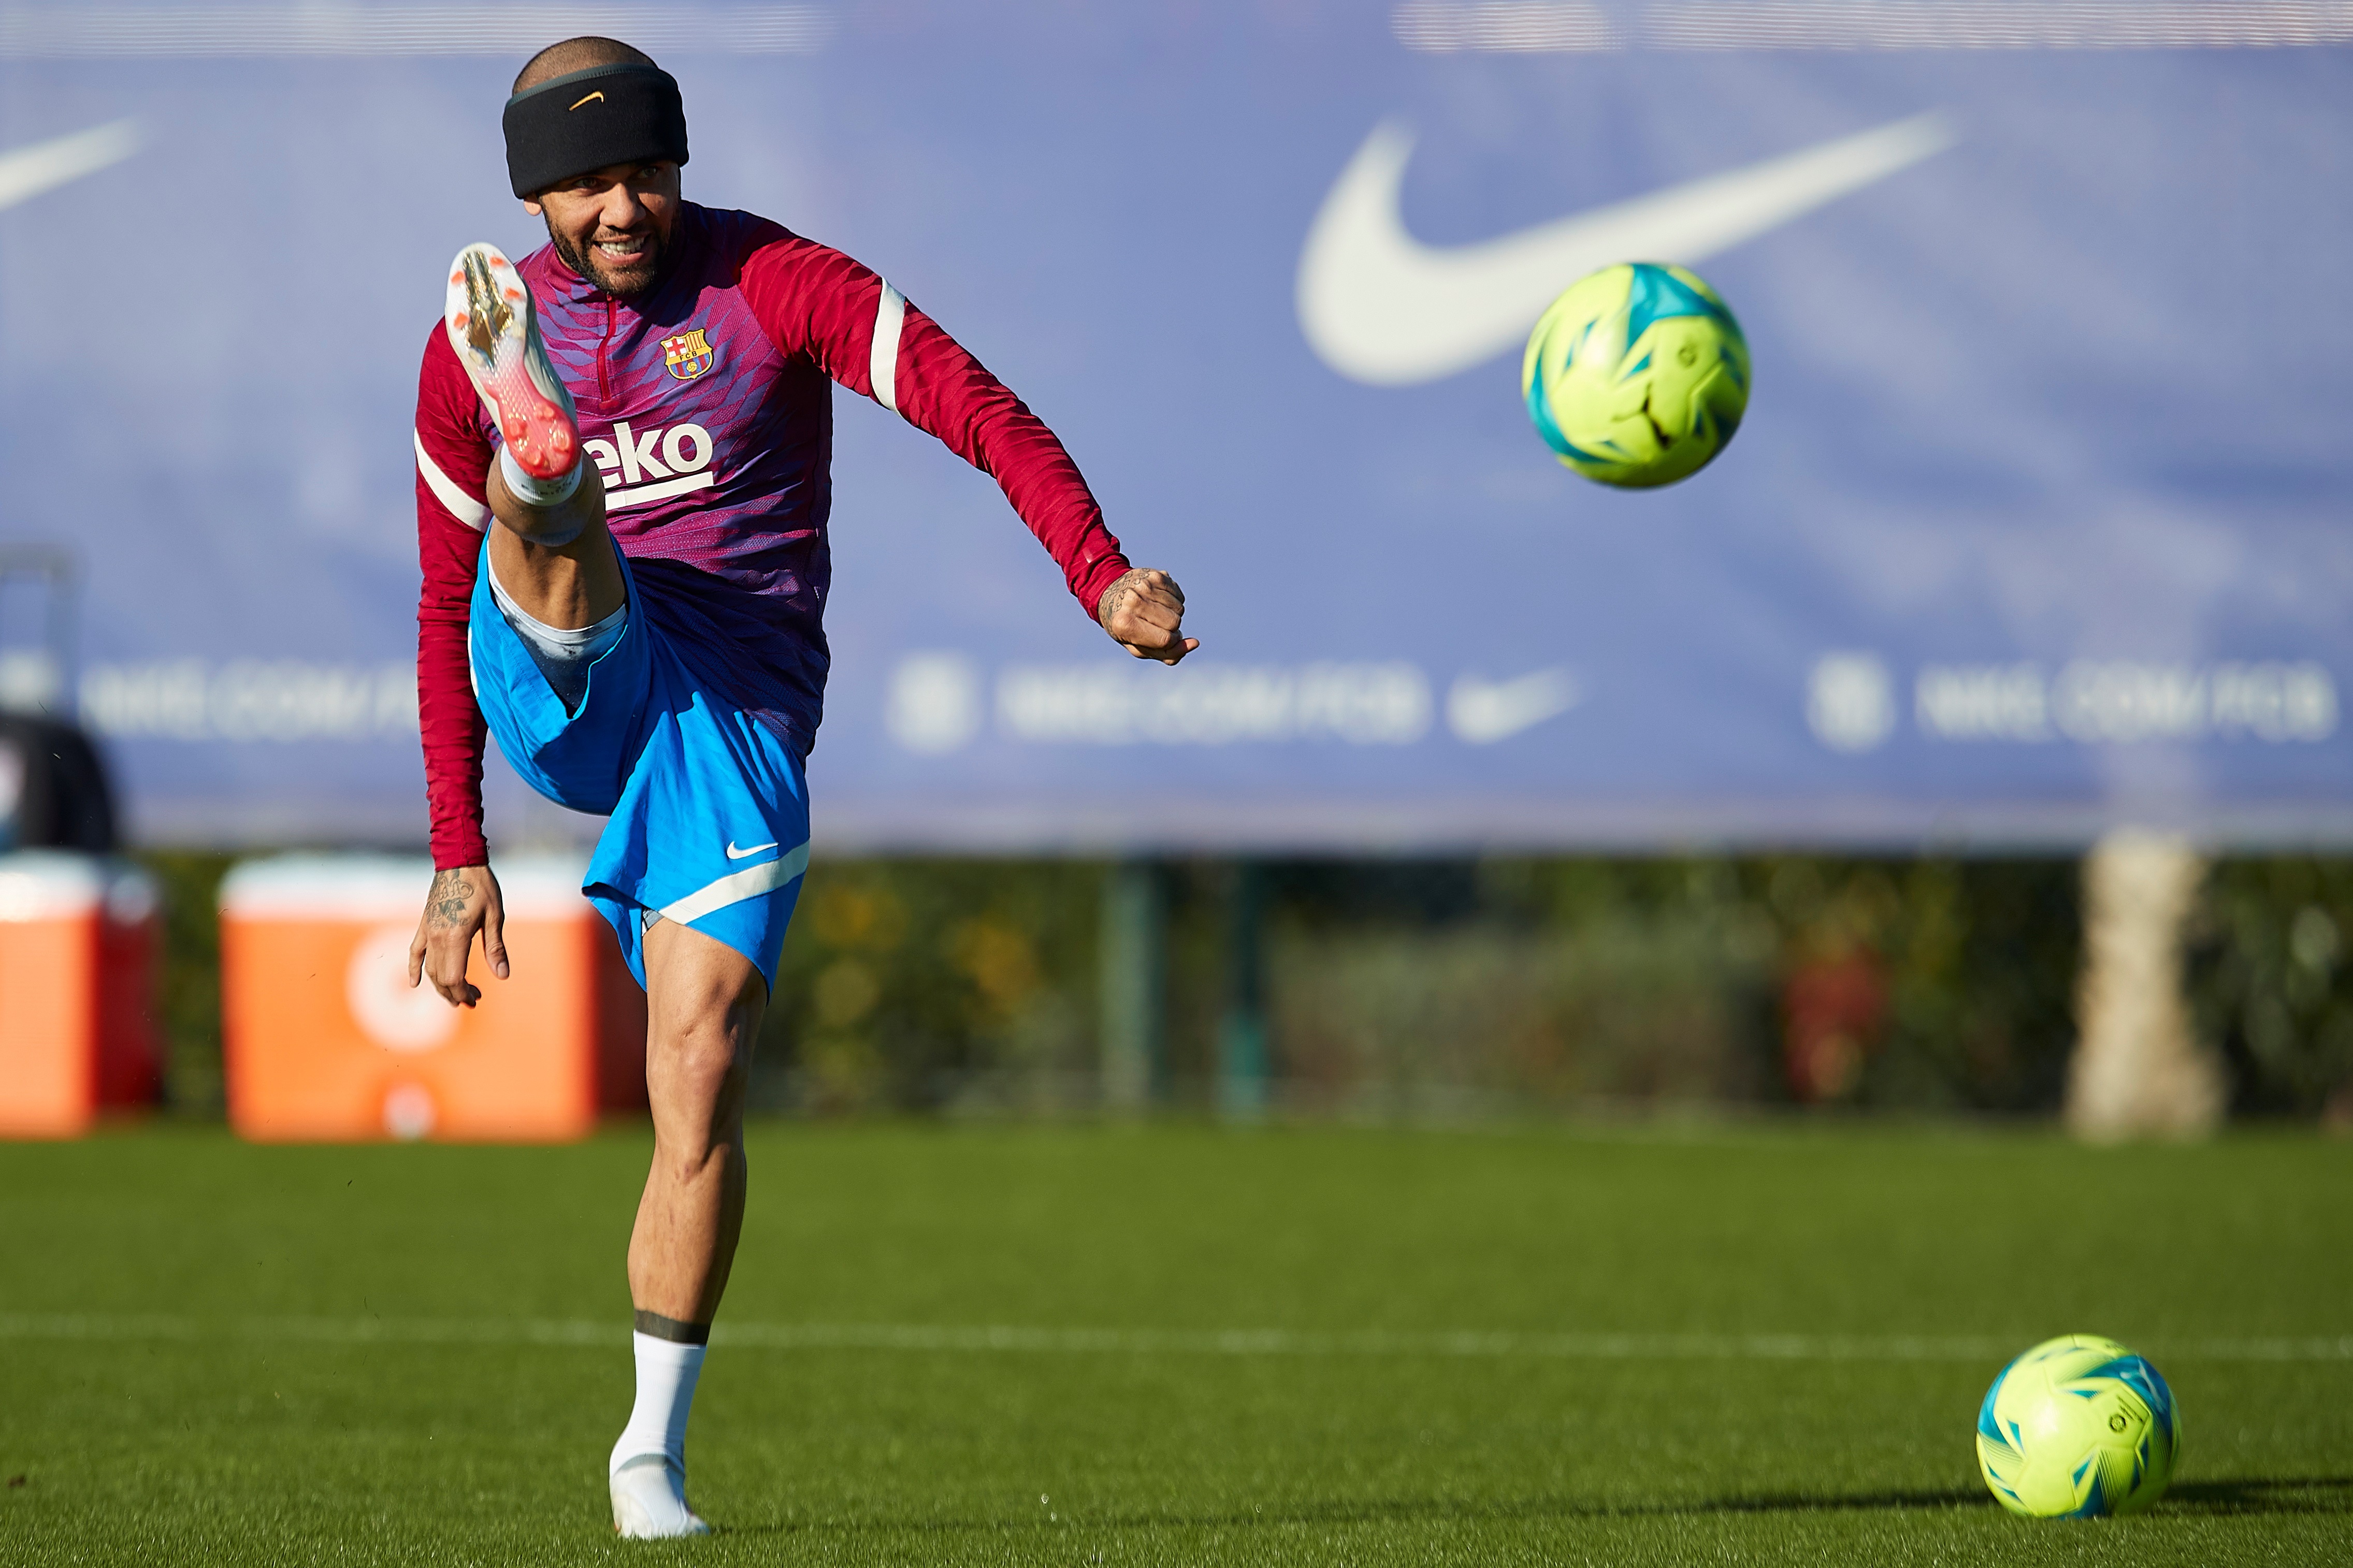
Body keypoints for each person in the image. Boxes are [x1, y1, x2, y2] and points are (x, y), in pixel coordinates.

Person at [405, 35, 1195, 1538]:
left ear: (680, 162)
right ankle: (547, 468)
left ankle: (647, 1457)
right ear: (535, 197)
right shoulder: (466, 339)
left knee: (698, 1067)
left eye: (640, 169)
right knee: (550, 552)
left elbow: (982, 413)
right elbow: (441, 604)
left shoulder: (778, 284)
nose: (619, 206)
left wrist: (1099, 577)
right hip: (574, 671)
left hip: (741, 707)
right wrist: (459, 846)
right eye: (581, 185)